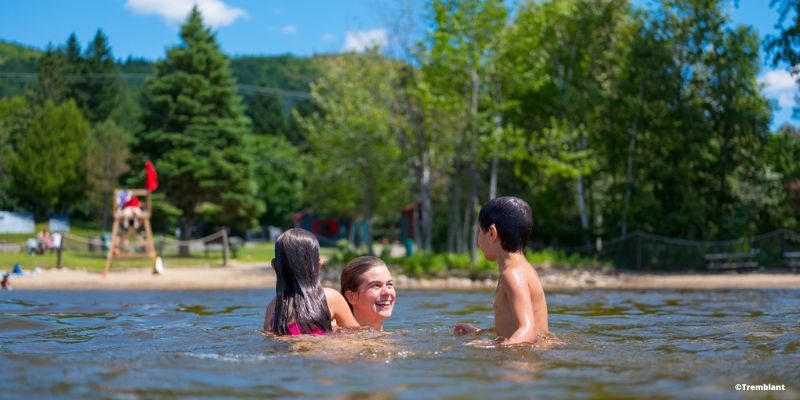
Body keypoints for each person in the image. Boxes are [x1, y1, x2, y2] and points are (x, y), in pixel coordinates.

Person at [453, 196, 549, 346]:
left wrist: (490, 345)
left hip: (519, 364)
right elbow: (514, 326)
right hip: (532, 352)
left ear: (492, 233)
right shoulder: (523, 269)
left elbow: (528, 331)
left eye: (480, 231)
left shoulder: (512, 275)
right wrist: (480, 332)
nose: (478, 239)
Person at [263, 228, 358, 335]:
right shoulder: (329, 297)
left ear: (274, 266)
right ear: (319, 264)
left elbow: (271, 340)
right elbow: (358, 334)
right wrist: (335, 328)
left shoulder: (274, 306)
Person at [340, 256, 396, 331]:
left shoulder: (397, 338)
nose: (387, 292)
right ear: (351, 296)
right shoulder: (336, 340)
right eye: (376, 285)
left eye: (389, 284)